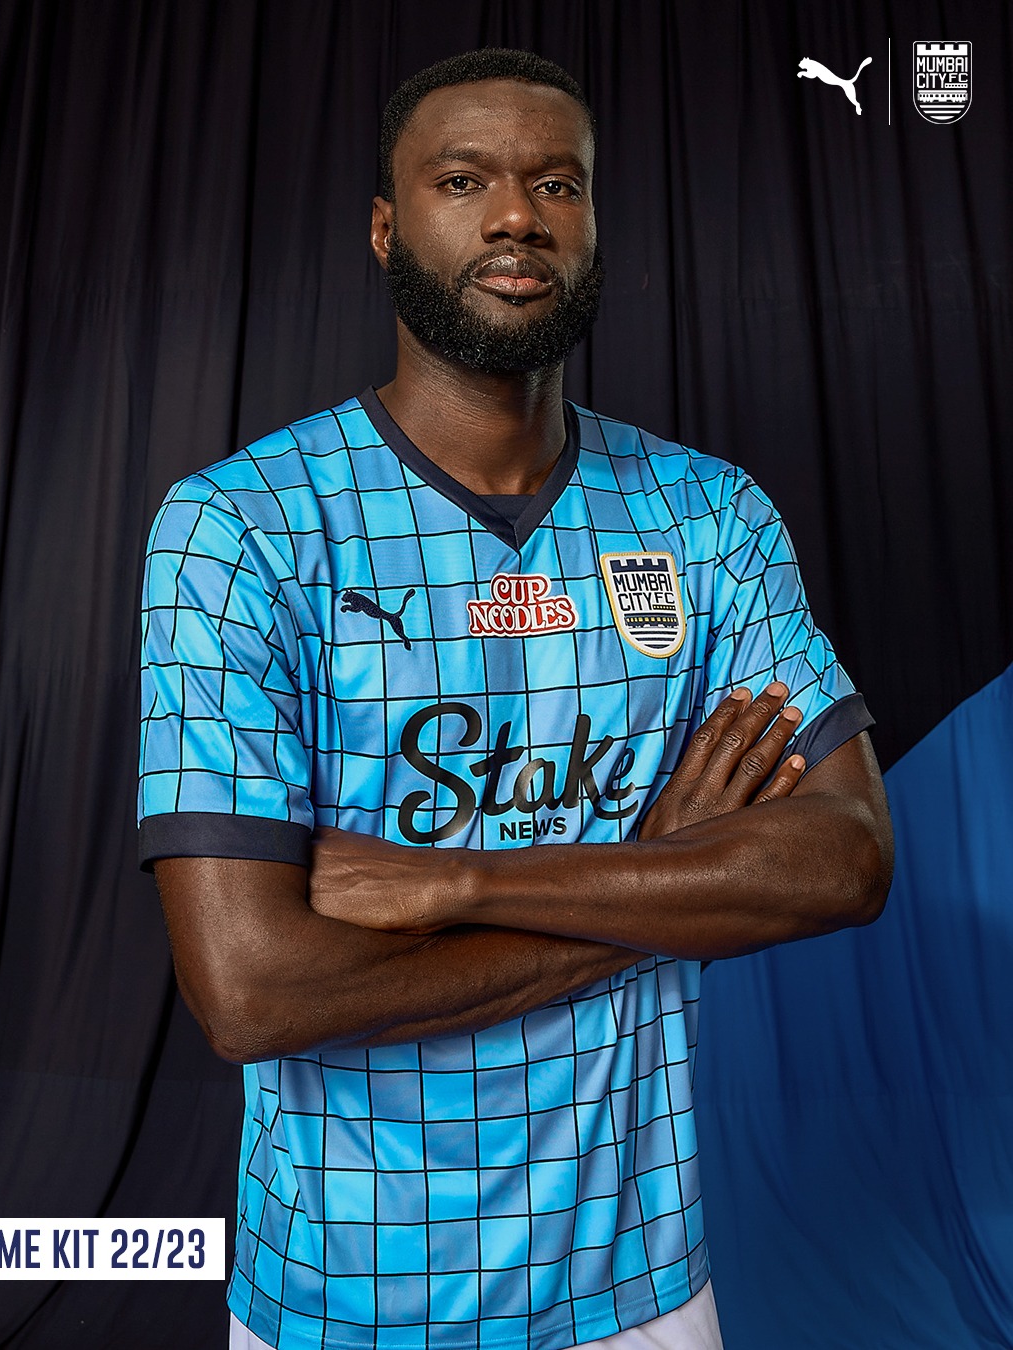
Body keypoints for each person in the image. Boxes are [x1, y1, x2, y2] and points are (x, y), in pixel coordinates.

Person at [138, 48, 892, 1350]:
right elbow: (254, 991)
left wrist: (460, 881)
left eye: (557, 183)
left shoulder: (706, 516)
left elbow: (846, 859)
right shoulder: (241, 527)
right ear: (387, 229)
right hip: (349, 1296)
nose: (515, 216)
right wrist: (662, 878)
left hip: (644, 1285)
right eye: (462, 180)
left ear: (592, 224)